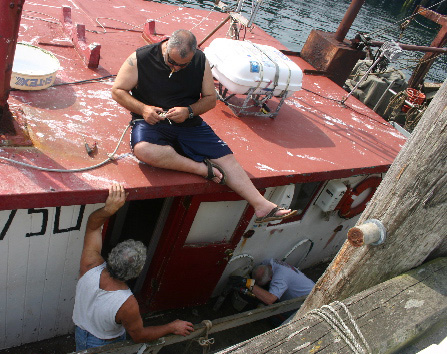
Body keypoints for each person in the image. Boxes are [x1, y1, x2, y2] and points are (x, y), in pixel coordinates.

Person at [111, 29, 297, 223]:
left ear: (192, 56)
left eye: (183, 65)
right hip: (151, 120)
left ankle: (263, 207)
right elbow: (117, 91)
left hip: (188, 122)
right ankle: (202, 169)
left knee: (227, 159)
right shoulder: (141, 57)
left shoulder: (200, 60)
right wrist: (143, 109)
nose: (176, 68)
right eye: (171, 62)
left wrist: (189, 111)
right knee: (144, 150)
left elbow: (210, 99)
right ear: (166, 47)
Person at [72, 183, 194, 350]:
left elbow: (93, 225)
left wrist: (109, 209)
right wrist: (171, 327)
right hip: (104, 344)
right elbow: (139, 336)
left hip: (80, 333)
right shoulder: (127, 303)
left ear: (113, 254)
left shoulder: (90, 265)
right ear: (136, 273)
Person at [230, 258, 315, 305]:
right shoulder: (268, 262)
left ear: (271, 279)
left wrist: (248, 283)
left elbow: (270, 299)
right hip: (309, 287)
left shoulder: (280, 278)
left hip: (309, 300)